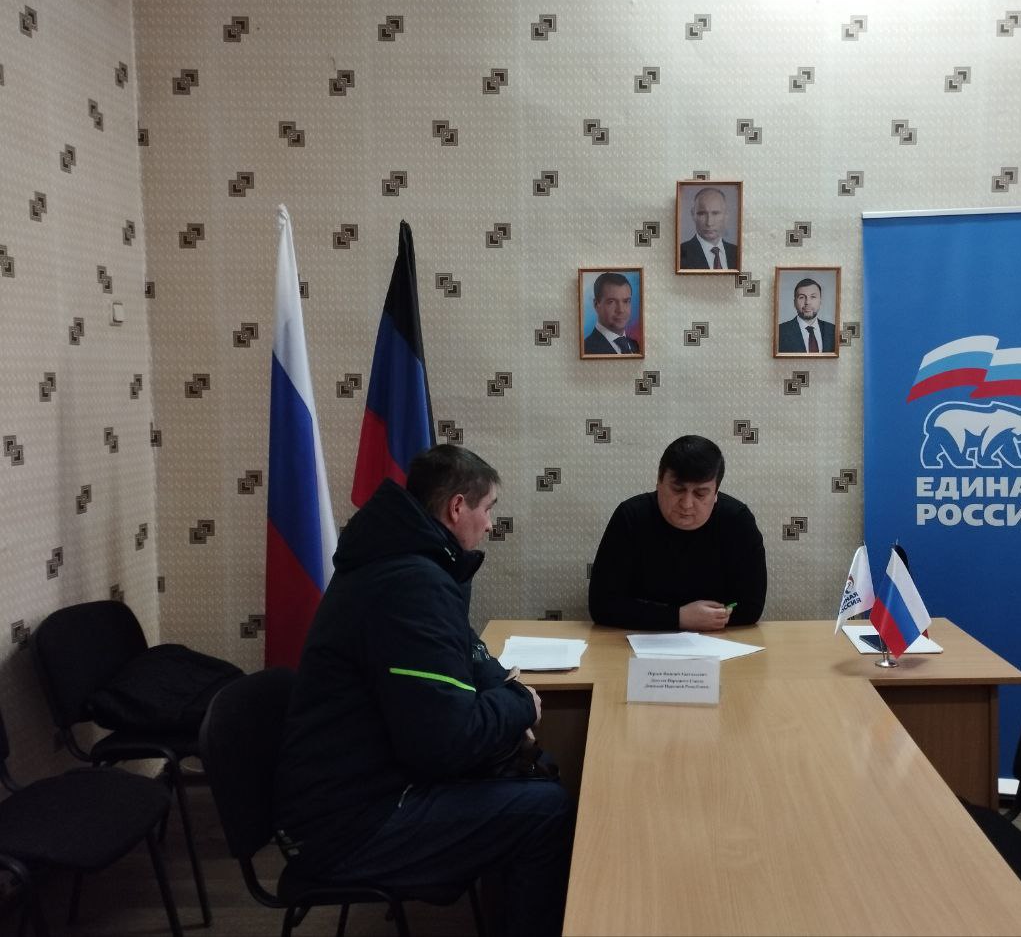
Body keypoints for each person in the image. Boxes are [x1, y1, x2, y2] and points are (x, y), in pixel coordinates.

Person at [274, 445, 572, 937]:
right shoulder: (409, 583)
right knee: (547, 810)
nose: (490, 524)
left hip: (367, 787)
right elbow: (446, 742)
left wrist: (506, 692)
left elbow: (468, 653)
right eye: (488, 508)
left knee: (536, 774)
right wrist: (519, 705)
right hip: (352, 824)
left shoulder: (408, 564)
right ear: (457, 508)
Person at [588, 435, 766, 631]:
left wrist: (706, 618)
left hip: (718, 640)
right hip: (639, 639)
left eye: (700, 494)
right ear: (659, 482)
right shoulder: (631, 517)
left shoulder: (737, 521)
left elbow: (751, 607)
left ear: (716, 493)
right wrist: (678, 617)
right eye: (678, 489)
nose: (687, 504)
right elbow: (602, 605)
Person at [678, 186, 739, 270]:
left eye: (715, 213)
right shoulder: (680, 253)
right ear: (693, 215)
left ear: (726, 215)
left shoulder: (737, 252)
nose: (709, 223)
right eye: (702, 214)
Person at [583, 272, 640, 354]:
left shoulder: (635, 345)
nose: (621, 310)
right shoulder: (586, 349)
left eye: (626, 301)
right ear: (596, 305)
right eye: (611, 302)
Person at [777, 276, 836, 353]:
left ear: (820, 301)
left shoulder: (833, 330)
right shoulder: (780, 331)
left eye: (813, 297)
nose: (807, 302)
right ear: (794, 302)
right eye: (802, 297)